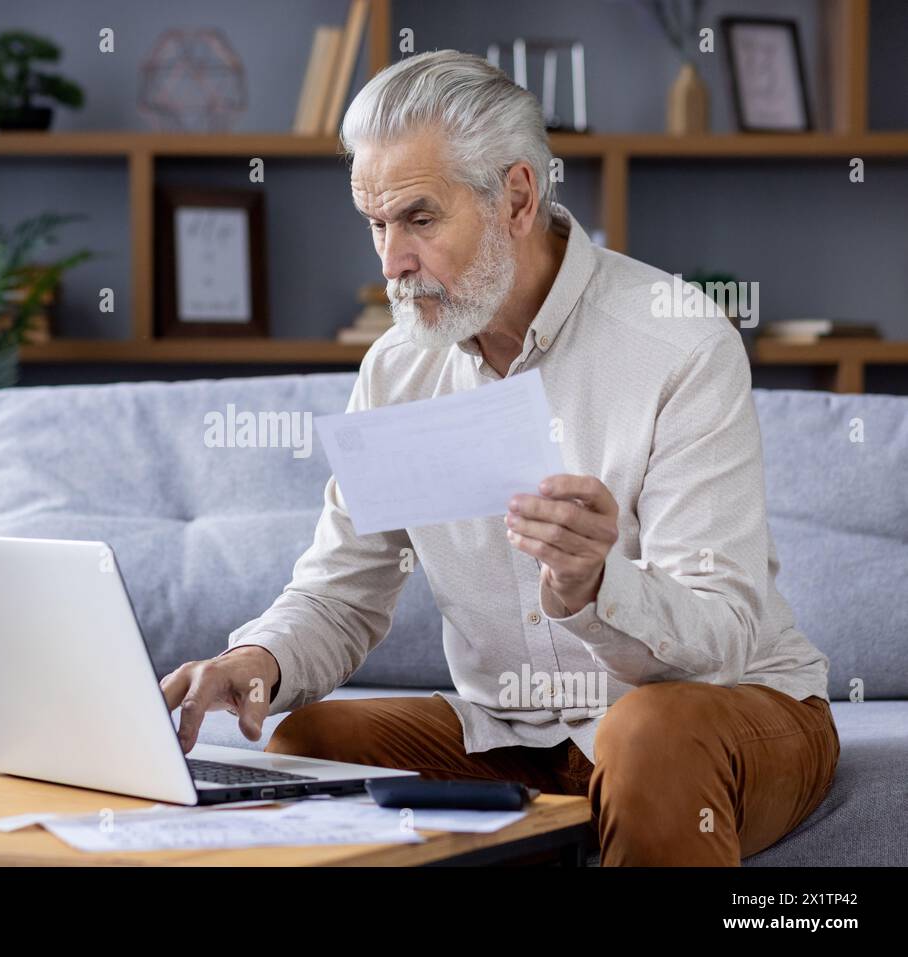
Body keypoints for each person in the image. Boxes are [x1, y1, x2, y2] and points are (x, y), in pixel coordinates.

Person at [160, 50, 838, 866]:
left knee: (647, 730)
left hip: (724, 710)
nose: (390, 263)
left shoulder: (680, 341)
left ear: (516, 195)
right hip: (513, 729)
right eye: (376, 224)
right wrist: (254, 659)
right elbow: (343, 593)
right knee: (313, 737)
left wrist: (595, 588)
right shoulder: (399, 368)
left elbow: (724, 630)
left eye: (418, 218)